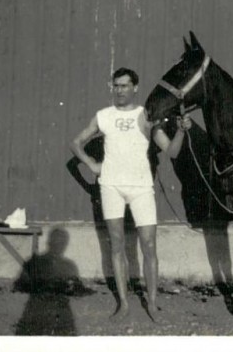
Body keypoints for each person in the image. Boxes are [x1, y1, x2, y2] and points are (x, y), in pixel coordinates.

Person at [70, 67, 191, 322]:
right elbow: (76, 143)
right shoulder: (103, 116)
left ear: (135, 87)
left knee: (149, 245)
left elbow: (171, 152)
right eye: (116, 85)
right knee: (116, 245)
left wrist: (181, 130)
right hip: (111, 186)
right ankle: (123, 304)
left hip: (140, 187)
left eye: (125, 86)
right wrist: (92, 164)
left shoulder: (146, 116)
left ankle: (153, 304)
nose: (120, 90)